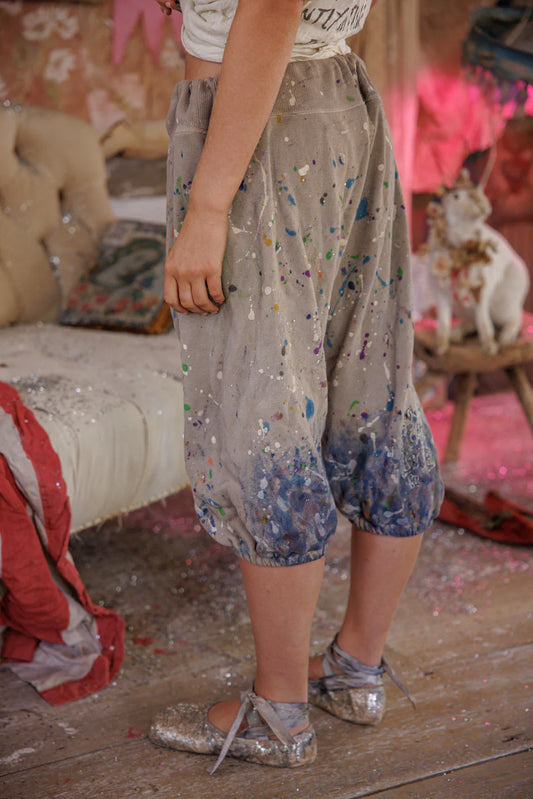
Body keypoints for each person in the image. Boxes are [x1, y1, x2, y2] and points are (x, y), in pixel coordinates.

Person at [148, 0, 444, 774]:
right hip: (337, 105)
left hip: (252, 126)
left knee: (262, 409)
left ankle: (279, 711)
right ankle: (354, 670)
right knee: (371, 388)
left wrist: (209, 204)